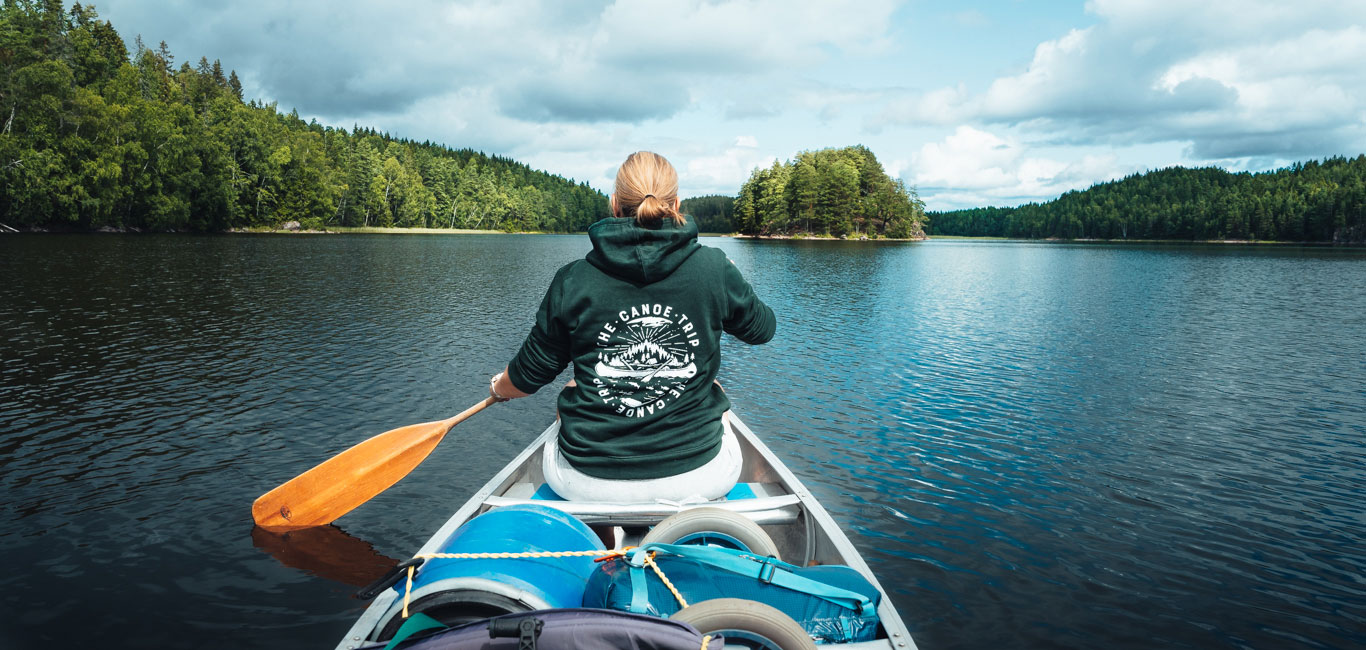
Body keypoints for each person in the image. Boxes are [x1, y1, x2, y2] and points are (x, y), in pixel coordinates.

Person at [488, 151, 775, 503]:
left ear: (614, 204)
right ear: (676, 203)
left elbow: (525, 380)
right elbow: (762, 330)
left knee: (569, 392)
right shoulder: (713, 268)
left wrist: (499, 388)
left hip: (588, 484)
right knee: (718, 399)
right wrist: (731, 276)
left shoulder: (573, 280)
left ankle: (606, 541)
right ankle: (693, 533)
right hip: (699, 477)